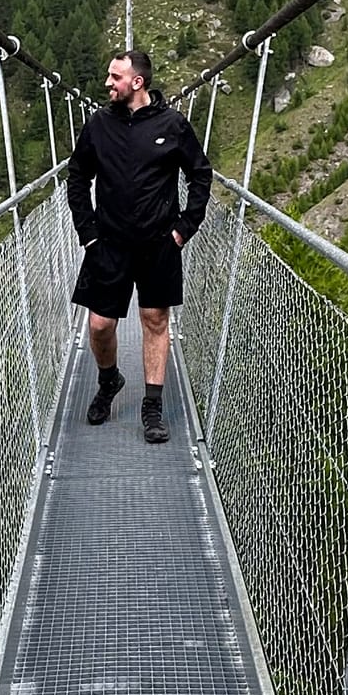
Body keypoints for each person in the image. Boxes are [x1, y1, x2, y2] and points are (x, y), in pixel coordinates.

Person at [66, 44, 212, 443]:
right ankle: (109, 379)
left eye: (115, 77)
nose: (107, 83)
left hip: (159, 244)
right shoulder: (98, 125)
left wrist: (184, 229)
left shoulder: (173, 125)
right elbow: (77, 178)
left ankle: (152, 406)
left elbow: (201, 175)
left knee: (155, 320)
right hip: (107, 244)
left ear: (137, 81)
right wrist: (88, 233)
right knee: (99, 326)